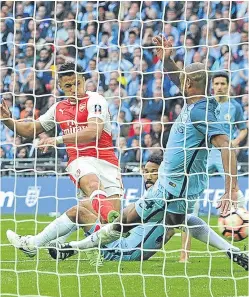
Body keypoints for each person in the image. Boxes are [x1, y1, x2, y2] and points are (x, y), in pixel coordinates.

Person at [45, 37, 248, 271]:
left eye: (183, 79)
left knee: (124, 220)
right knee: (181, 220)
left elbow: (227, 146)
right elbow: (177, 77)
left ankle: (73, 247)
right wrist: (167, 59)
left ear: (189, 82)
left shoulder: (200, 111)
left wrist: (230, 189)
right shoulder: (196, 102)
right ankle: (232, 251)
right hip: (180, 186)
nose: (179, 80)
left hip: (172, 187)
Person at [3, 62, 122, 261]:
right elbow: (29, 130)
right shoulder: (58, 108)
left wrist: (56, 139)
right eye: (68, 86)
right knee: (94, 186)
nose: (74, 89)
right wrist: (7, 120)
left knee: (103, 224)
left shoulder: (95, 100)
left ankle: (69, 244)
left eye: (77, 83)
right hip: (80, 160)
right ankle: (34, 244)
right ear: (60, 86)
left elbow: (94, 131)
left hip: (108, 163)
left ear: (84, 81)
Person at [48, 153, 175, 261]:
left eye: (154, 172)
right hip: (127, 249)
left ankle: (37, 243)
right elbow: (171, 231)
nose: (148, 176)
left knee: (79, 212)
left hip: (120, 251)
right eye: (146, 172)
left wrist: (183, 256)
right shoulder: (165, 201)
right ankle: (70, 246)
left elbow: (183, 224)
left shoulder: (159, 201)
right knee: (89, 206)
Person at [180, 71, 248, 263]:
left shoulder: (234, 107)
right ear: (212, 86)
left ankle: (241, 231)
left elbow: (243, 128)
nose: (219, 86)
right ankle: (184, 254)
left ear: (228, 86)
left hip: (224, 153)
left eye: (222, 84)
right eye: (216, 83)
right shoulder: (208, 104)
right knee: (192, 197)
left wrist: (235, 141)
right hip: (206, 152)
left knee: (236, 193)